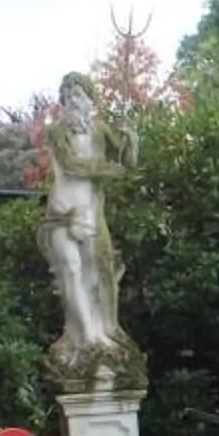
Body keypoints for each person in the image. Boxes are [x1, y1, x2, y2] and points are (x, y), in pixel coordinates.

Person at [39, 72, 129, 370]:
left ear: (91, 99)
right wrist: (107, 170)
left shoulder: (101, 130)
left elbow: (127, 160)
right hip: (63, 212)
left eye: (78, 94)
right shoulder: (57, 132)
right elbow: (71, 165)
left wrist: (130, 138)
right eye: (67, 96)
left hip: (91, 211)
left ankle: (107, 328)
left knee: (100, 271)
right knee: (72, 272)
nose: (72, 101)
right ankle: (87, 336)